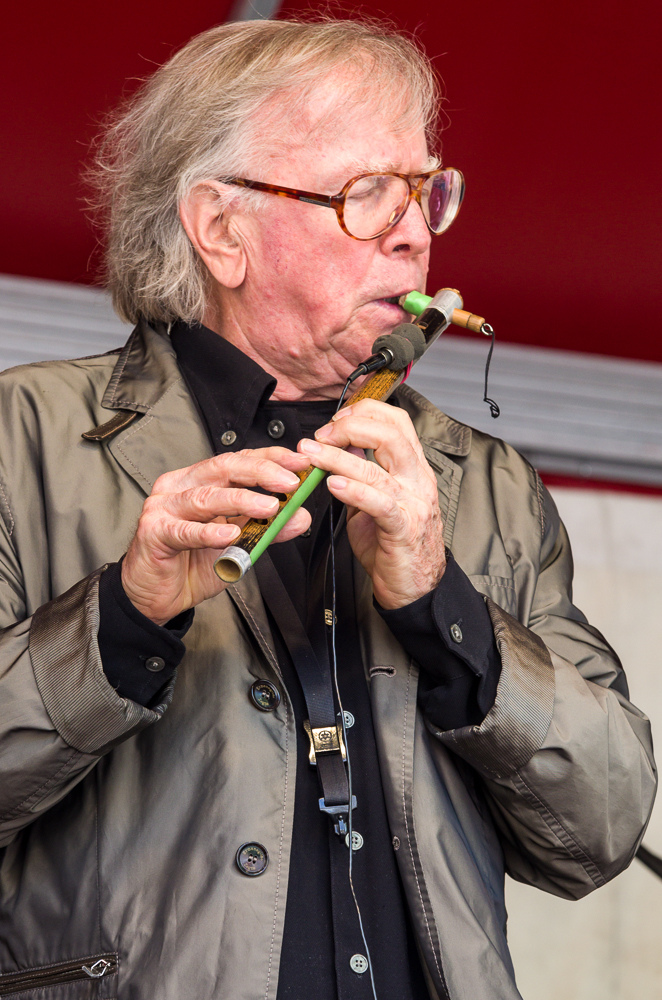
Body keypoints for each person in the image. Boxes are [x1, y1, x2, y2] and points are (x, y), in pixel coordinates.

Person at [0, 17, 655, 1000]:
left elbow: (600, 825)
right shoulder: (25, 434)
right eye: (365, 194)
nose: (413, 229)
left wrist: (446, 610)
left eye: (425, 189)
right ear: (221, 229)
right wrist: (123, 613)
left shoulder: (480, 481)